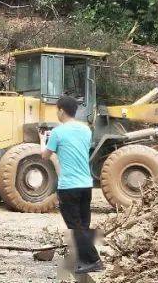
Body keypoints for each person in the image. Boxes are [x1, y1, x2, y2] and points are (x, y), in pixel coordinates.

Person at [41, 95, 103, 275]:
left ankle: (94, 260)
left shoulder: (58, 132)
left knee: (75, 227)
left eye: (57, 111)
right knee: (84, 224)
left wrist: (43, 140)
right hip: (86, 184)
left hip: (69, 186)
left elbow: (45, 155)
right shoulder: (86, 130)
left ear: (61, 110)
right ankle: (83, 259)